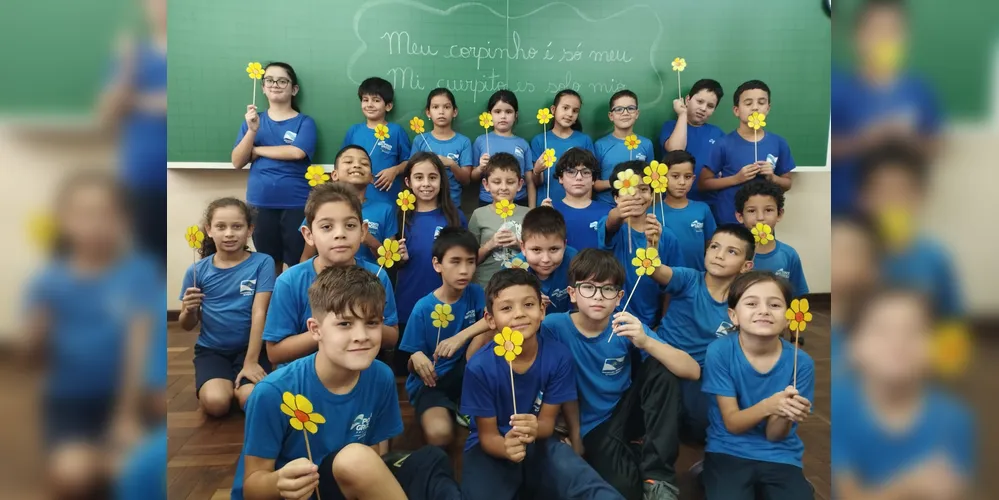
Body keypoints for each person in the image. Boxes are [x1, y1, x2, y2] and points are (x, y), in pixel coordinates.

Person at [234, 266, 463, 500]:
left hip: (349, 485)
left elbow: (377, 456)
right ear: (316, 329)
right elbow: (252, 487)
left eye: (372, 323)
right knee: (354, 458)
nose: (361, 335)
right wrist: (278, 483)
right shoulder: (273, 392)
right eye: (345, 324)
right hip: (304, 493)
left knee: (432, 461)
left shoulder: (381, 376)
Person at [24, 172, 159, 499]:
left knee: (140, 466)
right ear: (63, 221)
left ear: (124, 220)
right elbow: (32, 357)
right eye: (83, 215)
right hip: (70, 401)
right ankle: (106, 464)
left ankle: (114, 464)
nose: (95, 225)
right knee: (72, 473)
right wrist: (36, 333)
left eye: (106, 214)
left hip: (125, 398)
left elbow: (138, 347)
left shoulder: (139, 271)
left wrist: (125, 415)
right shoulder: (48, 280)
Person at [542, 249, 699, 500]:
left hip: (627, 411)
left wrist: (646, 341)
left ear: (619, 297)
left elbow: (692, 370)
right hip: (594, 426)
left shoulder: (626, 324)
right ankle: (637, 451)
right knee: (626, 490)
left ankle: (659, 476)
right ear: (572, 294)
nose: (598, 297)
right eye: (588, 287)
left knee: (662, 365)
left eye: (608, 289)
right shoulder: (554, 326)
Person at [460, 269, 623, 500]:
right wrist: (504, 447)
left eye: (528, 305)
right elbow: (487, 435)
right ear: (490, 319)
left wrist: (536, 428)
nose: (519, 315)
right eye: (506, 308)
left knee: (587, 485)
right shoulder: (479, 367)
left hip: (540, 444)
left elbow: (547, 421)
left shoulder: (558, 357)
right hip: (493, 448)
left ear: (542, 310)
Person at [833, 288, 975, 500]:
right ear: (852, 346)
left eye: (915, 330)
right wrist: (908, 486)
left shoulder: (954, 419)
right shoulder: (840, 407)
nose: (898, 342)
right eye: (881, 330)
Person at [701, 271, 815, 499]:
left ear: (789, 316)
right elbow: (732, 423)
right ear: (733, 315)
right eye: (752, 303)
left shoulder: (801, 363)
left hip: (779, 454)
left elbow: (775, 436)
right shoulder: (720, 351)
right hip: (727, 449)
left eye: (774, 305)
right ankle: (705, 473)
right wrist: (770, 405)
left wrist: (785, 411)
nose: (764, 310)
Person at [264, 183, 399, 366]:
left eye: (350, 225)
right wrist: (330, 328)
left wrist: (360, 323)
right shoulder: (289, 281)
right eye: (327, 227)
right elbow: (275, 353)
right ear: (308, 234)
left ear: (363, 231)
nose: (340, 234)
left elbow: (392, 336)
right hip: (303, 381)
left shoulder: (377, 276)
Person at [830, 0, 942, 215]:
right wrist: (865, 140)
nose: (885, 39)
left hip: (896, 210)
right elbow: (823, 150)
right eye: (877, 30)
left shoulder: (920, 90)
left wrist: (909, 139)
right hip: (844, 208)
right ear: (857, 37)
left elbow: (937, 144)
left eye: (894, 31)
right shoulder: (836, 88)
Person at [648, 224, 756, 444]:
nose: (719, 255)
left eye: (731, 251)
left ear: (746, 266)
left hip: (703, 372)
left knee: (702, 428)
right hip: (666, 362)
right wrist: (653, 246)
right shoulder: (689, 279)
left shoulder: (742, 303)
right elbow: (655, 270)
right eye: (715, 246)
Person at [178, 198, 274, 416]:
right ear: (209, 230)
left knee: (250, 400)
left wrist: (250, 362)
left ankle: (240, 384)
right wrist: (188, 310)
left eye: (237, 226)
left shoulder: (263, 262)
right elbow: (186, 325)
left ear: (250, 229)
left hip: (253, 350)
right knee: (216, 404)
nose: (229, 233)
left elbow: (260, 312)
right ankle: (225, 385)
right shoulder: (196, 271)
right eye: (221, 227)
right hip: (212, 351)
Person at [856, 141, 963, 320]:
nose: (893, 201)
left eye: (904, 190)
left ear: (920, 196)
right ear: (862, 198)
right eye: (882, 191)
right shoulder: (853, 254)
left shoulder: (935, 257)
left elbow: (951, 321)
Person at [96, 0, 167, 266]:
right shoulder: (132, 54)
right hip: (141, 176)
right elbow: (107, 113)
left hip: (174, 173)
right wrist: (126, 68)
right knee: (145, 262)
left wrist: (138, 102)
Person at [398, 227, 484, 446]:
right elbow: (411, 362)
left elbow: (494, 320)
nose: (464, 270)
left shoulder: (477, 294)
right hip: (433, 383)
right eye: (455, 261)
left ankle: (468, 402)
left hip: (468, 376)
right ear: (437, 264)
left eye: (470, 261)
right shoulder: (423, 307)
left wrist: (460, 337)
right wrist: (416, 356)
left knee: (492, 326)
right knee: (440, 434)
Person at [231, 62, 317, 276]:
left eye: (282, 81)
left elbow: (296, 152)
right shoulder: (252, 121)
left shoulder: (304, 122)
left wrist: (258, 151)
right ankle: (272, 308)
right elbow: (237, 161)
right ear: (262, 87)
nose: (275, 85)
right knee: (269, 263)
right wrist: (252, 131)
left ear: (293, 89)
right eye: (269, 80)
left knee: (298, 263)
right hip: (260, 202)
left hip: (297, 203)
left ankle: (296, 306)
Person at [597, 160, 685, 327]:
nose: (636, 196)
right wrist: (618, 213)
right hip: (611, 319)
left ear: (652, 195)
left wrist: (663, 323)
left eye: (643, 189)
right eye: (628, 189)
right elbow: (611, 222)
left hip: (650, 323)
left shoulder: (667, 236)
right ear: (616, 197)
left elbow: (672, 286)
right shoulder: (611, 226)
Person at [699, 80, 795, 225]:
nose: (755, 108)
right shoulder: (723, 143)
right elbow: (703, 183)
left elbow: (787, 183)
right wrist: (736, 179)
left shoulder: (778, 143)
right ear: (736, 110)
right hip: (728, 221)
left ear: (768, 108)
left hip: (763, 225)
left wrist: (772, 177)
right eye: (748, 103)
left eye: (761, 103)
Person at [393, 152, 467, 335]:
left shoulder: (455, 217)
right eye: (419, 177)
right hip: (408, 303)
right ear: (408, 182)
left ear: (442, 181)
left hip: (448, 305)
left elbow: (466, 260)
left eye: (433, 177)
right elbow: (391, 263)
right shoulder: (400, 217)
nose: (426, 183)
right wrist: (399, 259)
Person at [300, 146, 397, 265]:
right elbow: (307, 257)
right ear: (334, 175)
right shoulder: (321, 208)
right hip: (327, 281)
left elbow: (391, 261)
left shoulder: (385, 209)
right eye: (348, 161)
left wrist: (371, 242)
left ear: (371, 178)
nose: (356, 165)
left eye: (364, 163)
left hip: (369, 281)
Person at [342, 77, 413, 205]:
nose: (369, 104)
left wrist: (395, 170)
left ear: (388, 106)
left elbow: (409, 161)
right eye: (365, 100)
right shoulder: (354, 131)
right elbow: (342, 161)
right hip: (355, 199)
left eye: (376, 100)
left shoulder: (396, 131)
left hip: (387, 198)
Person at [735, 179, 809, 299]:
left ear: (779, 214)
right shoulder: (732, 253)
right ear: (740, 216)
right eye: (751, 211)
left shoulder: (789, 255)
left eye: (768, 210)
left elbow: (797, 296)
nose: (760, 217)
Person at [658, 79, 725, 207]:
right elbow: (676, 151)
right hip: (672, 203)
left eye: (710, 106)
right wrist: (682, 115)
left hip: (709, 203)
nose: (703, 108)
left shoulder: (718, 134)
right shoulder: (670, 127)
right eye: (699, 101)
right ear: (688, 100)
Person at [468, 153, 530, 287]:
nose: (503, 187)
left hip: (521, 284)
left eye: (510, 182)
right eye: (496, 182)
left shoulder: (528, 214)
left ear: (519, 184)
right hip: (487, 285)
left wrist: (519, 245)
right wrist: (490, 244)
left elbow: (539, 253)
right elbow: (470, 259)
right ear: (486, 184)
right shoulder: (479, 215)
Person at [471, 90, 536, 206]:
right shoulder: (481, 141)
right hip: (488, 201)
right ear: (489, 114)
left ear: (516, 115)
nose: (503, 116)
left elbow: (530, 182)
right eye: (497, 111)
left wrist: (531, 210)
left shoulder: (523, 144)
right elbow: (472, 177)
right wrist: (480, 168)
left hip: (518, 201)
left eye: (508, 111)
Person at [411, 88, 474, 207]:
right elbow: (411, 174)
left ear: (454, 112)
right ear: (428, 112)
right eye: (435, 107)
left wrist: (451, 164)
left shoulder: (463, 142)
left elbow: (466, 180)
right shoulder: (420, 140)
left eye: (446, 107)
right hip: (424, 205)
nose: (441, 112)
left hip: (452, 205)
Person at [531, 89, 596, 204]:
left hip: (576, 205)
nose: (570, 114)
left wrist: (586, 204)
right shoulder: (540, 140)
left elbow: (588, 178)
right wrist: (536, 171)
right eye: (565, 108)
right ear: (553, 110)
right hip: (547, 205)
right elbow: (537, 182)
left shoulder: (584, 140)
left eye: (575, 111)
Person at [594, 90, 655, 206]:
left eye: (630, 108)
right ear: (611, 116)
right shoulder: (600, 145)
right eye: (619, 109)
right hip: (607, 207)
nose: (625, 113)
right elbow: (594, 184)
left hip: (637, 207)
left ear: (637, 113)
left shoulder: (646, 144)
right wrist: (619, 182)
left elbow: (651, 181)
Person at [512, 206, 577, 314]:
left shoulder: (573, 260)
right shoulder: (513, 268)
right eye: (536, 250)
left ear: (565, 245)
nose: (546, 259)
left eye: (554, 249)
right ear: (523, 247)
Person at [659, 150, 717, 271]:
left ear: (693, 178)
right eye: (675, 176)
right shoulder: (652, 212)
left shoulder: (702, 209)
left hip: (697, 278)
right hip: (664, 280)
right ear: (663, 177)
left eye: (687, 177)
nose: (682, 182)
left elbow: (711, 245)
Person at [547, 148, 612, 251]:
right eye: (571, 172)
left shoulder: (608, 212)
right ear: (560, 178)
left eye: (586, 172)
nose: (578, 177)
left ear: (593, 179)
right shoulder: (550, 210)